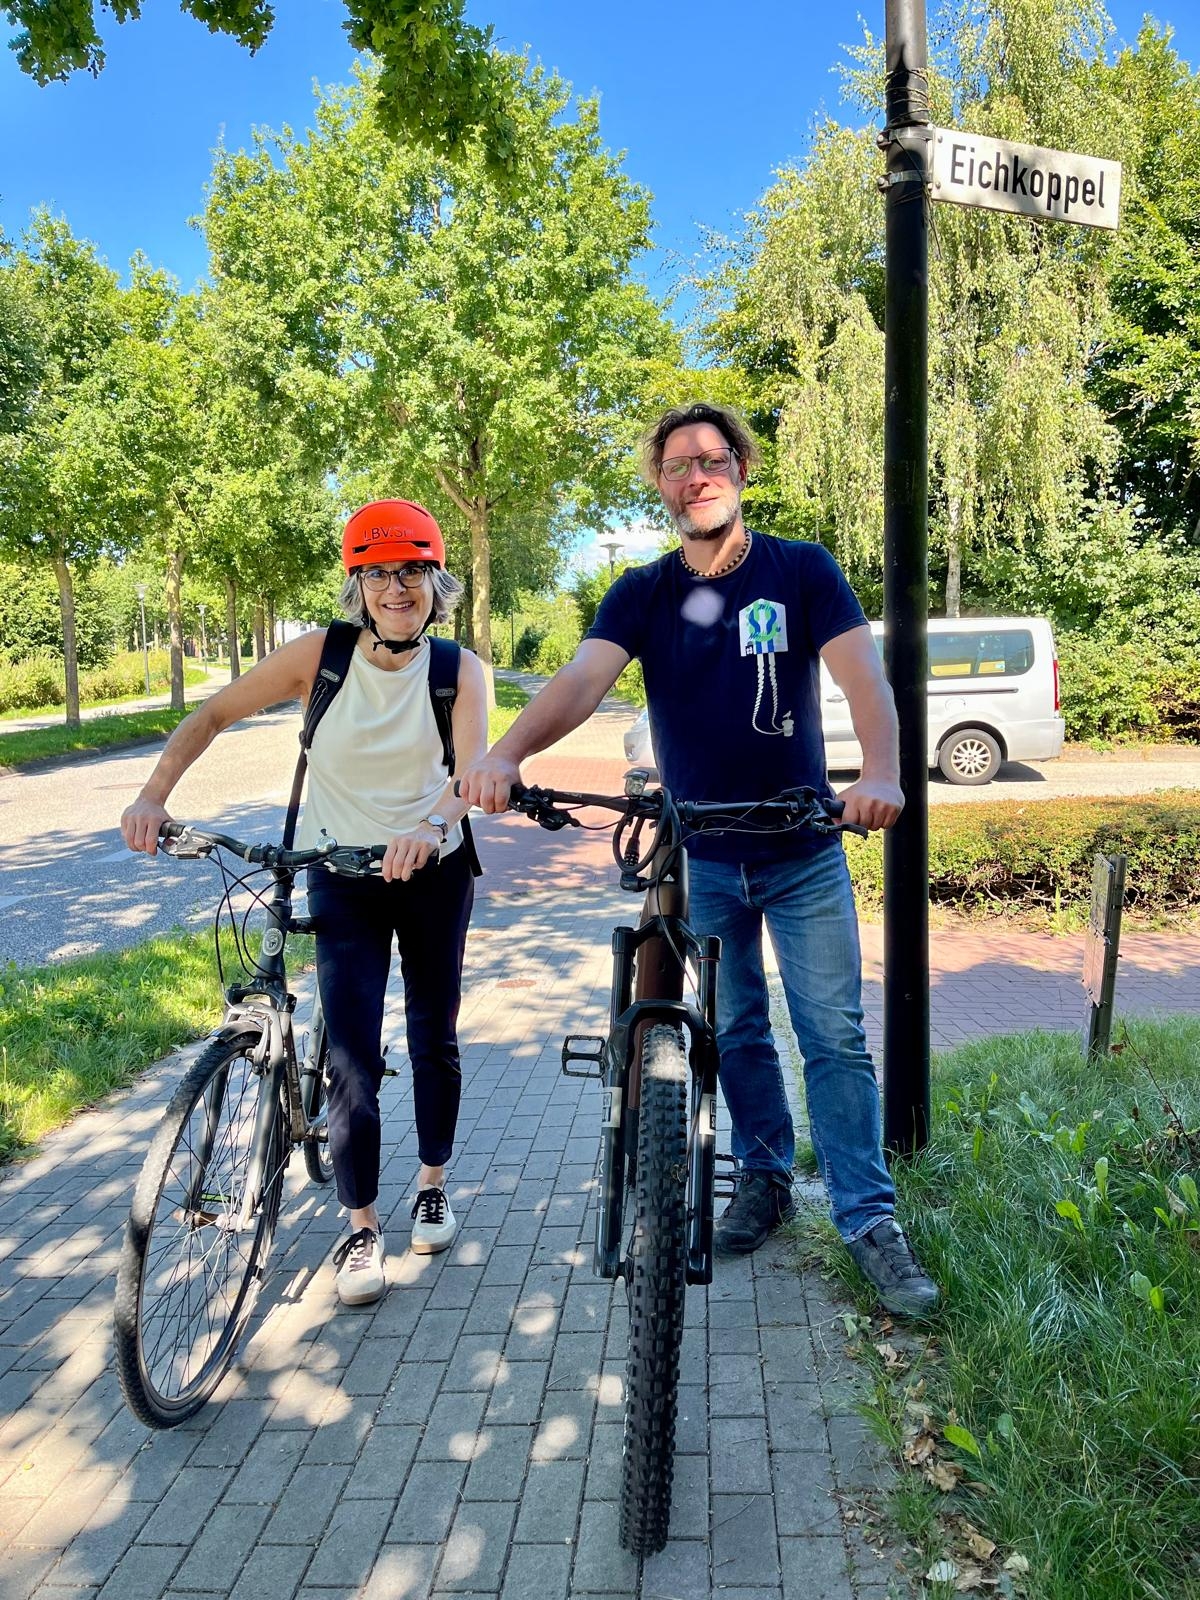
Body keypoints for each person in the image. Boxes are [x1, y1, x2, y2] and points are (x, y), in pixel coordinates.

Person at [459, 403, 938, 1317]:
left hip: (802, 849)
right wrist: (506, 753)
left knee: (833, 1037)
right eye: (678, 466)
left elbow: (861, 678)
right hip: (702, 856)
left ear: (741, 470)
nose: (697, 477)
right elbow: (580, 681)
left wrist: (880, 771)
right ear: (661, 484)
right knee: (738, 1029)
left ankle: (869, 1219)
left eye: (712, 460)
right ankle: (765, 1178)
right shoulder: (641, 591)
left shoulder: (801, 570)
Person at [122, 499, 486, 1307]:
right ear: (358, 587)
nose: (397, 588)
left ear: (437, 582)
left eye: (413, 571)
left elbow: (471, 774)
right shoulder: (319, 657)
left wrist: (430, 828)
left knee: (433, 1034)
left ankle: (432, 1184)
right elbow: (213, 713)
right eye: (379, 574)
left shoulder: (458, 670)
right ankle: (361, 1228)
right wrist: (152, 795)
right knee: (351, 1055)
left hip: (433, 870)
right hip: (339, 871)